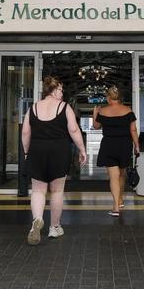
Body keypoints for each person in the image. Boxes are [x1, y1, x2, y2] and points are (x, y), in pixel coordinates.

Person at [21, 76, 87, 245]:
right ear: (54, 90)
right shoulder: (64, 107)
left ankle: (36, 221)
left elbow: (26, 133)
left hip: (37, 150)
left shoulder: (33, 108)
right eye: (61, 90)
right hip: (59, 151)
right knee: (57, 191)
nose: (62, 93)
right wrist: (82, 150)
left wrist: (27, 151)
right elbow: (73, 130)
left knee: (38, 190)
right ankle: (54, 227)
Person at [93, 86, 139, 216]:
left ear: (108, 98)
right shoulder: (128, 110)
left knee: (113, 176)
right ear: (119, 98)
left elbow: (96, 127)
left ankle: (115, 207)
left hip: (108, 145)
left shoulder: (103, 111)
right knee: (122, 174)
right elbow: (133, 130)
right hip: (124, 144)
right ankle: (120, 200)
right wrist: (137, 145)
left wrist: (95, 113)